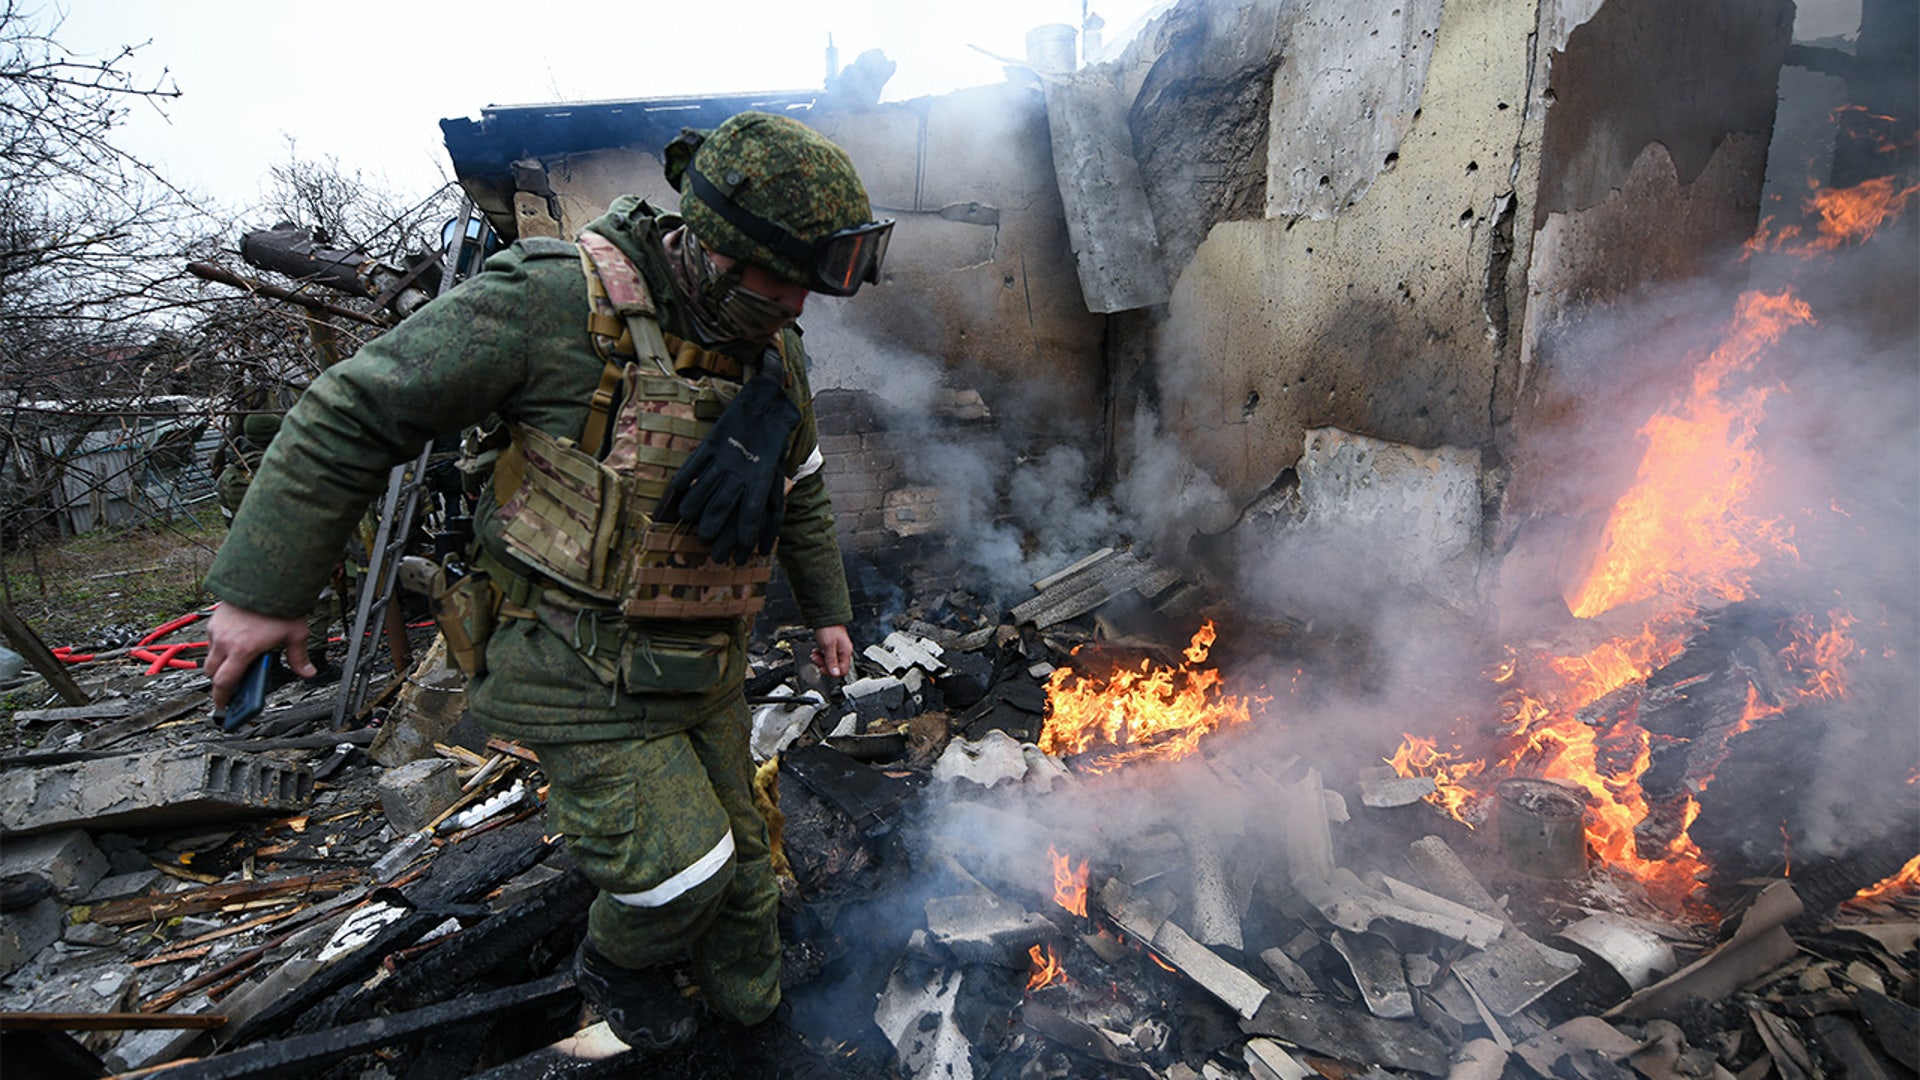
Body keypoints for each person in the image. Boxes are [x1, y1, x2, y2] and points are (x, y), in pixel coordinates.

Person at [201, 112, 891, 1054]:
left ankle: (754, 1024)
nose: (802, 308)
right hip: (579, 668)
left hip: (705, 665)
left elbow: (801, 487)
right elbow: (354, 409)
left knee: (746, 879)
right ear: (723, 249)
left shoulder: (773, 345)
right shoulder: (553, 302)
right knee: (681, 873)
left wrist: (830, 616)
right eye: (789, 282)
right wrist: (265, 589)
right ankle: (616, 964)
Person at [213, 411, 336, 681]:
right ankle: (314, 667)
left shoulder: (229, 475)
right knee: (316, 603)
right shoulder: (290, 468)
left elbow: (229, 520)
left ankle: (272, 671)